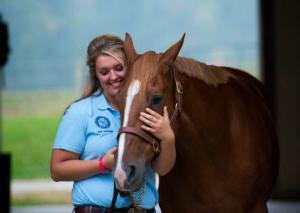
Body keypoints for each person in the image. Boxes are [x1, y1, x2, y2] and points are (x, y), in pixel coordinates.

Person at [50, 34, 176, 213]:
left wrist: (168, 138)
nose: (113, 76)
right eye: (104, 71)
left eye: (119, 68)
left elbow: (161, 170)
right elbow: (57, 170)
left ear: (130, 67)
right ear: (96, 75)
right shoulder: (81, 111)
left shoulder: (146, 109)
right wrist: (102, 164)